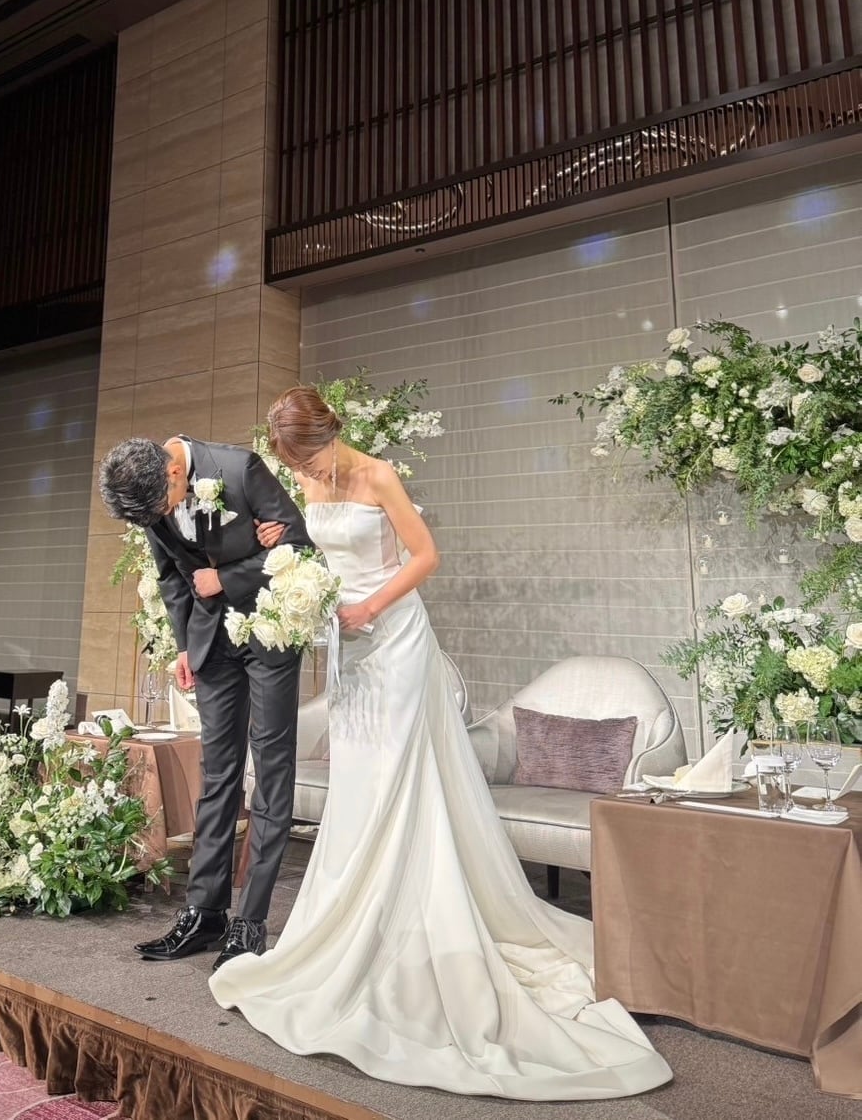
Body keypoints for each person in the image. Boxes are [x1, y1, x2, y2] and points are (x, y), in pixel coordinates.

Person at [209, 388, 672, 1101]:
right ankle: (353, 922)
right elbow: (315, 553)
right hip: (349, 650)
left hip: (395, 639)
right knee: (361, 781)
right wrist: (286, 548)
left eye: (307, 458)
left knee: (399, 775)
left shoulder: (378, 475)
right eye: (294, 464)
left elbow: (426, 556)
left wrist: (371, 604)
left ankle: (410, 921)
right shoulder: (308, 483)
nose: (305, 472)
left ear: (329, 434)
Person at [98, 434, 312, 969]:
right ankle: (205, 912)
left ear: (173, 473)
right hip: (212, 645)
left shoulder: (241, 470)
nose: (159, 519)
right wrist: (183, 646)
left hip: (269, 633)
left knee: (270, 772)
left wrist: (228, 577)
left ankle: (250, 921)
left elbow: (301, 548)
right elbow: (171, 577)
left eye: (160, 509)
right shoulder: (147, 495)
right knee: (217, 774)